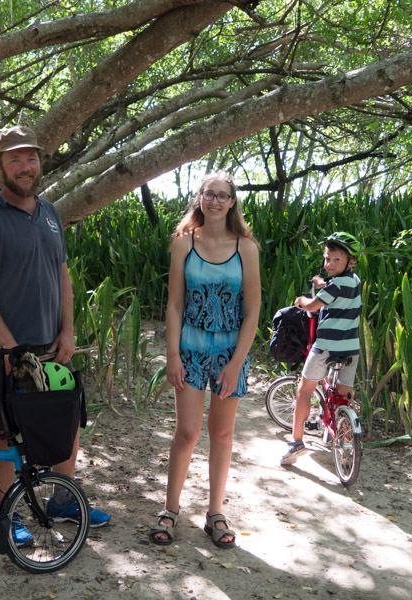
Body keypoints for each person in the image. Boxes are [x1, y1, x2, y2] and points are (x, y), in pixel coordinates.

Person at [0, 125, 110, 547]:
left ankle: (64, 500)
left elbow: (62, 275)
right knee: (3, 431)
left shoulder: (49, 212)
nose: (25, 167)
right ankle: (3, 512)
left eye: (31, 158)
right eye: (15, 159)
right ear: (0, 167)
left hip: (49, 347)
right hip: (2, 352)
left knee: (65, 421)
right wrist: (9, 347)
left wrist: (68, 330)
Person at [150, 172, 261, 548]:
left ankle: (215, 513)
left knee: (223, 434)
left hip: (231, 353)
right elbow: (175, 303)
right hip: (191, 349)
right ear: (199, 198)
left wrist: (236, 362)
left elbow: (253, 308)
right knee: (187, 433)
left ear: (232, 203)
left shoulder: (246, 247)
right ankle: (170, 508)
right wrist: (172, 354)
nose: (214, 201)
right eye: (208, 194)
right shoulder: (184, 242)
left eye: (222, 196)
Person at [279, 231, 362, 466]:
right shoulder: (353, 282)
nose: (330, 264)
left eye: (336, 260)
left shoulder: (334, 287)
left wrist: (300, 301)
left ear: (350, 262)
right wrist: (321, 283)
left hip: (326, 347)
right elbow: (335, 288)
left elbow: (313, 306)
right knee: (344, 397)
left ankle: (296, 443)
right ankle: (347, 436)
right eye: (327, 259)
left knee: (304, 391)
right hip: (351, 348)